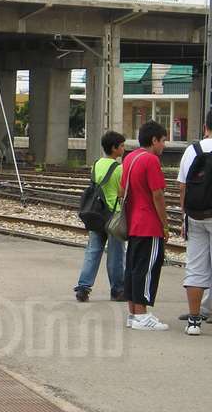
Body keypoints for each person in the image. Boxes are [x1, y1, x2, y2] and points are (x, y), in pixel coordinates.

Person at [123, 120, 170, 331]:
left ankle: (133, 313)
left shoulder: (130, 158)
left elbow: (121, 190)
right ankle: (142, 316)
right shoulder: (151, 160)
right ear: (154, 140)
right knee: (147, 268)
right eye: (163, 141)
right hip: (149, 224)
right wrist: (165, 225)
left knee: (133, 268)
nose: (164, 145)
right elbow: (158, 194)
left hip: (133, 222)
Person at [74, 131, 126, 302]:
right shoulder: (119, 169)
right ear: (114, 148)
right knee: (116, 255)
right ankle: (117, 289)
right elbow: (122, 191)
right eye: (122, 146)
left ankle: (83, 287)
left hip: (97, 214)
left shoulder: (96, 164)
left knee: (93, 251)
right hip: (113, 216)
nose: (124, 149)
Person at [177, 109, 212, 335]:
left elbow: (183, 187)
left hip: (196, 215)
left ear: (205, 126)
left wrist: (184, 216)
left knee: (195, 268)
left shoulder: (193, 150)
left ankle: (194, 321)